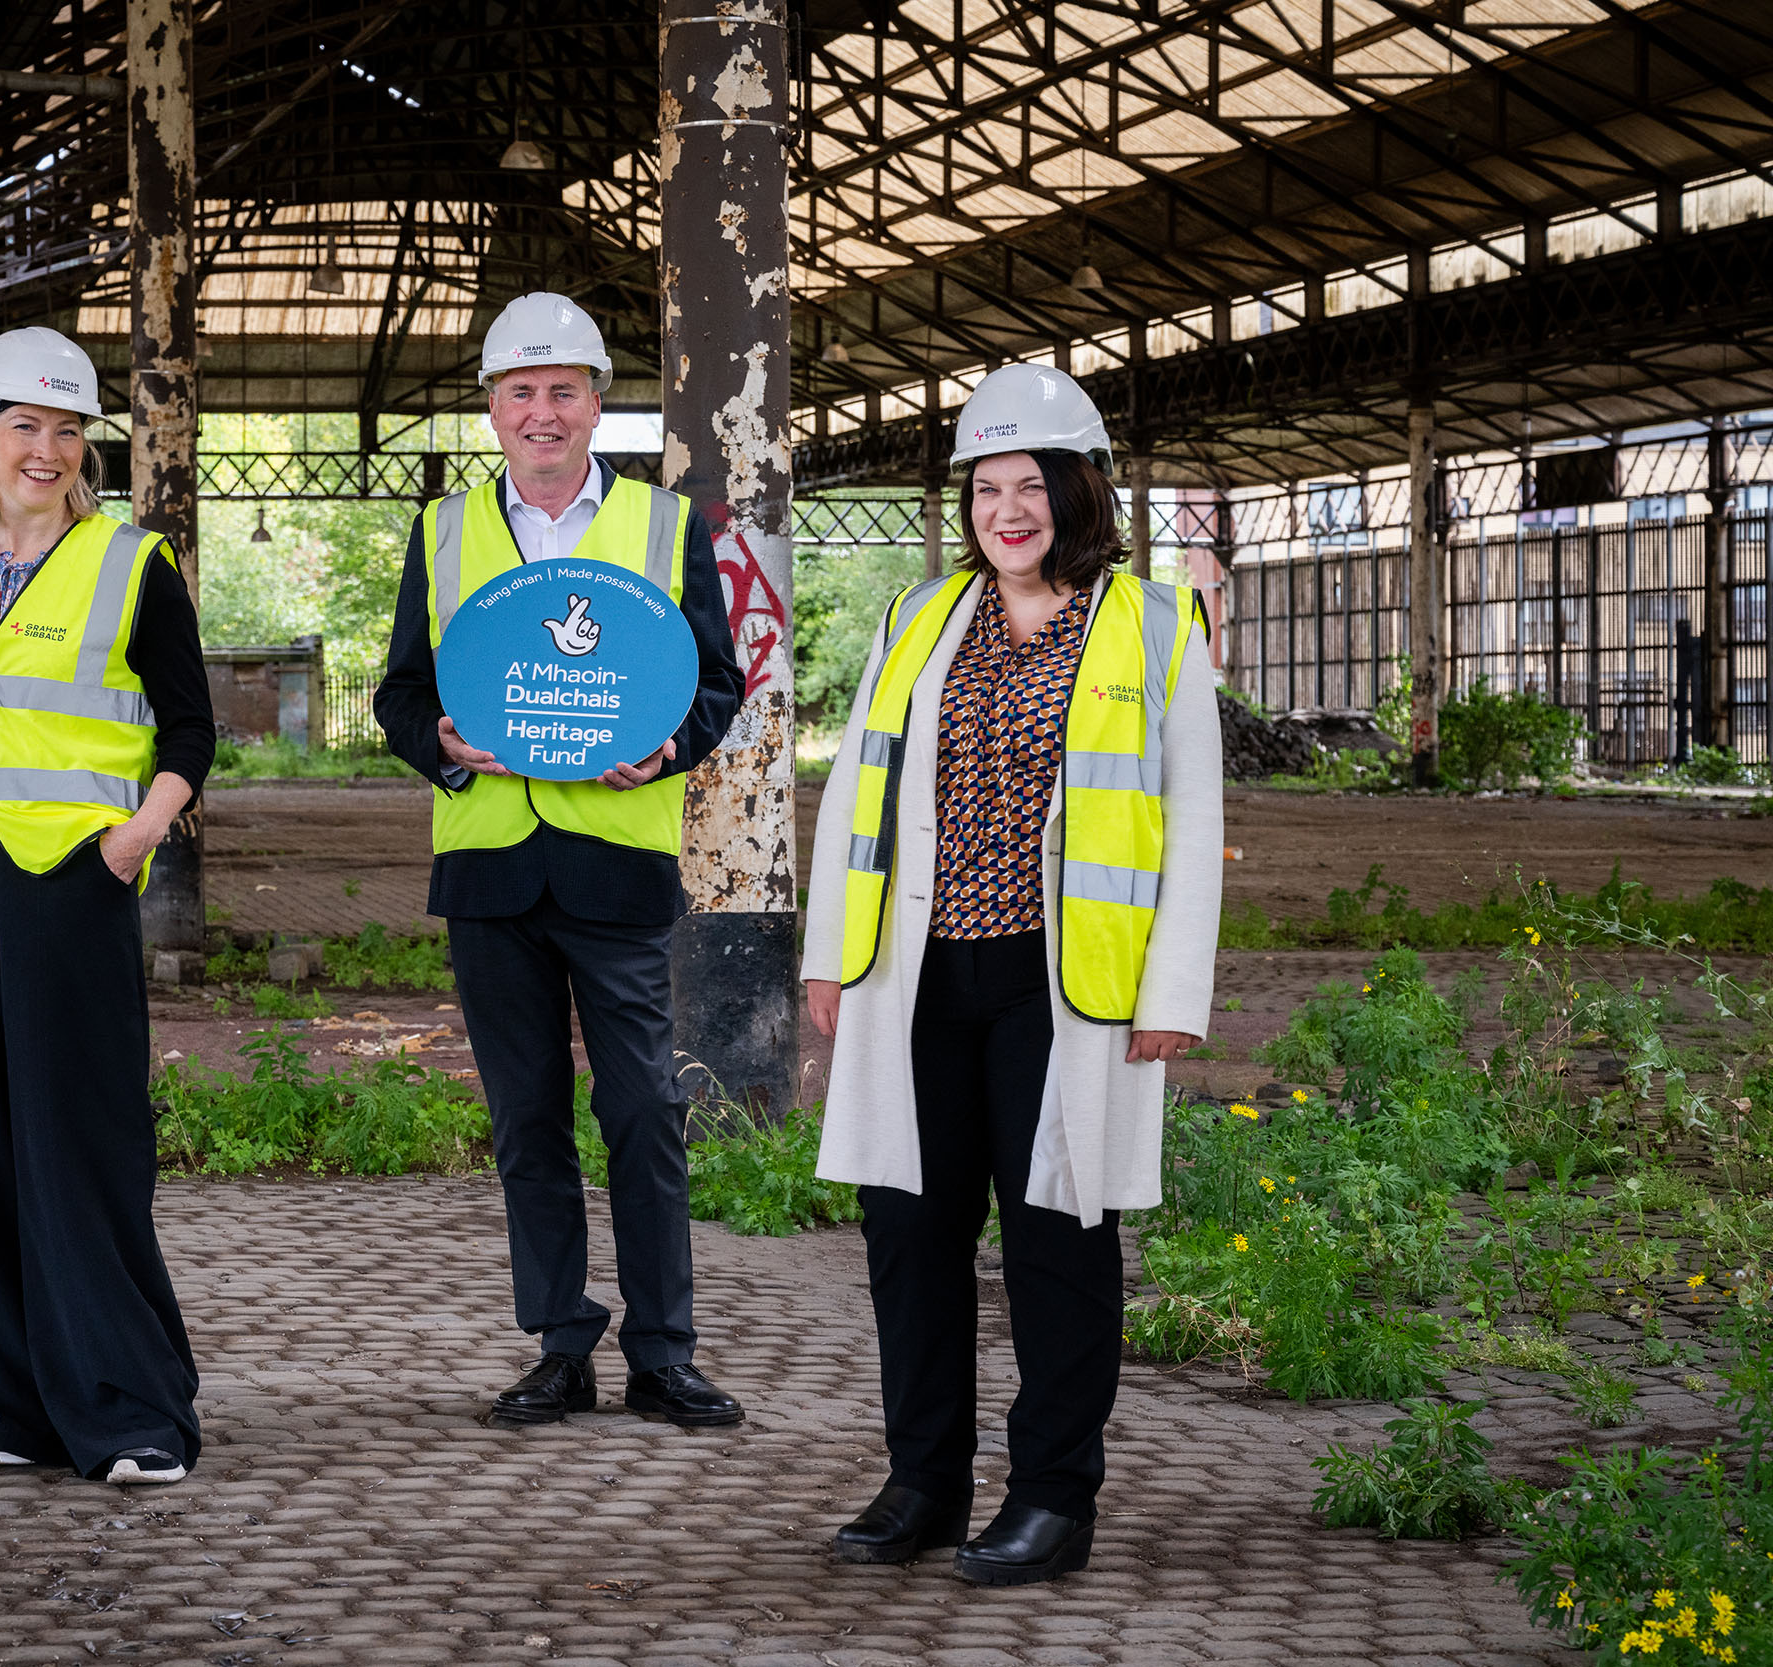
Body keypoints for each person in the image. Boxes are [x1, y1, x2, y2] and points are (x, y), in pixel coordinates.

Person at [800, 364, 1223, 1583]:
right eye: (987, 486)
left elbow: (1192, 815)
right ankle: (922, 1481)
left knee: (1056, 1240)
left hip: (1064, 986)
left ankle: (1051, 1496)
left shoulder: (1151, 623)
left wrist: (1171, 992)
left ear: (1082, 492)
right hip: (917, 976)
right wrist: (833, 951)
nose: (1007, 509)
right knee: (910, 1237)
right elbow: (858, 789)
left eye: (1031, 483)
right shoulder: (918, 616)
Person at [374, 292, 749, 1428]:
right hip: (490, 870)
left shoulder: (661, 523)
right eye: (521, 392)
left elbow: (717, 682)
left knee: (640, 1110)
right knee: (526, 1122)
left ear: (597, 404)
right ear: (492, 409)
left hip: (616, 865)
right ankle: (558, 1344)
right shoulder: (442, 531)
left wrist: (668, 747)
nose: (543, 412)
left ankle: (663, 1353)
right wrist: (432, 742)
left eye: (564, 390)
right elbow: (398, 691)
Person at [0, 325, 215, 1487]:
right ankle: (15, 1399)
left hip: (73, 878)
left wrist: (134, 837)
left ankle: (132, 1409)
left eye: (67, 429)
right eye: (24, 424)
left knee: (79, 1140)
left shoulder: (132, 561)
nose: (47, 448)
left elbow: (191, 729)